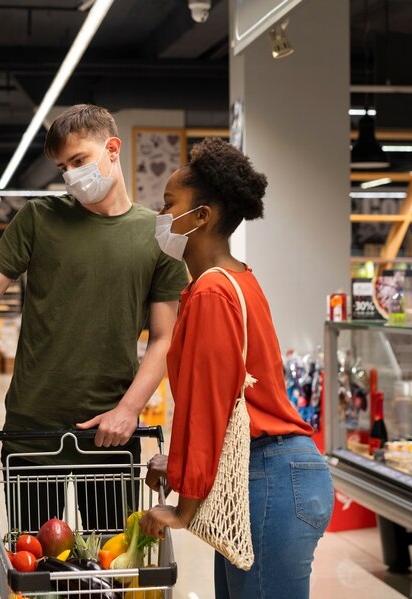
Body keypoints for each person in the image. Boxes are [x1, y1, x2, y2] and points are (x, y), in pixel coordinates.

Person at [0, 104, 189, 532]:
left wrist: (129, 410)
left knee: (109, 563)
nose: (71, 175)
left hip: (109, 433)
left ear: (112, 149)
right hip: (31, 430)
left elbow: (165, 337)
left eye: (79, 160)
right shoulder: (38, 219)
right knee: (34, 563)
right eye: (62, 167)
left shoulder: (157, 236)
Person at [139, 138, 334, 599]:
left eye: (169, 205)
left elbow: (210, 407)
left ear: (201, 217)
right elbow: (226, 399)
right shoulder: (236, 279)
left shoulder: (213, 292)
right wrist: (180, 465)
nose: (161, 216)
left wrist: (183, 510)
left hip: (267, 478)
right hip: (265, 474)